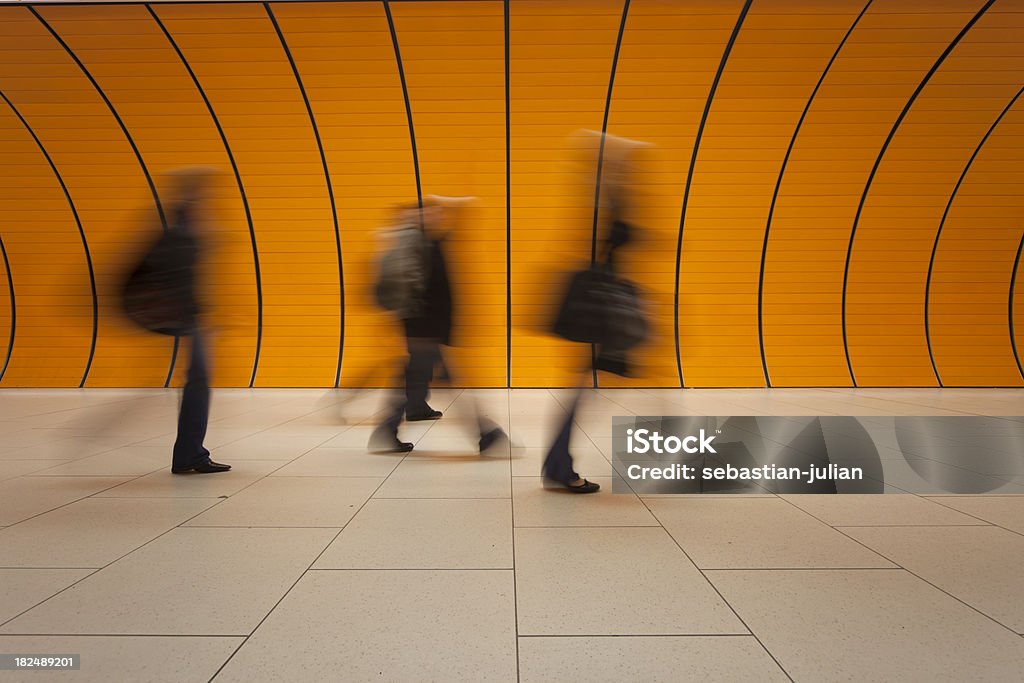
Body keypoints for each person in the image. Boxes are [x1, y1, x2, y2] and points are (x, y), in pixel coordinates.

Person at [370, 197, 505, 454]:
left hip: (427, 331)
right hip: (424, 331)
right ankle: (487, 435)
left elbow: (459, 227)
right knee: (446, 382)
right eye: (430, 213)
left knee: (414, 382)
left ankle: (387, 432)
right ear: (418, 216)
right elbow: (421, 293)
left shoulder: (430, 242)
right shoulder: (417, 245)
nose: (438, 216)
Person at [159, 170, 230, 475]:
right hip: (187, 320)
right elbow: (182, 281)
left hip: (185, 319)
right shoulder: (182, 235)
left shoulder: (177, 232)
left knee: (196, 383)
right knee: (198, 382)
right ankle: (189, 454)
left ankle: (189, 452)